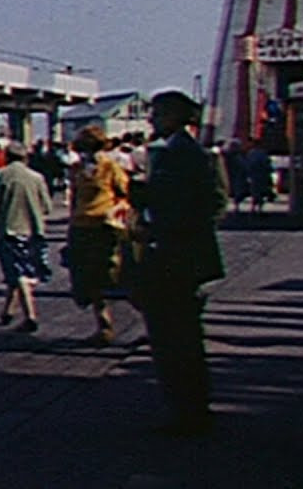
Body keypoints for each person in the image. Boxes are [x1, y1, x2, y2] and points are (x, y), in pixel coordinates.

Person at [136, 89, 225, 436]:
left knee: (175, 340)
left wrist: (154, 218)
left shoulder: (182, 155)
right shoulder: (182, 152)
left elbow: (191, 205)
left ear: (173, 116)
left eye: (157, 114)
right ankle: (189, 409)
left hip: (176, 259)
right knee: (180, 339)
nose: (151, 120)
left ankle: (188, 413)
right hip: (182, 256)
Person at [65, 125, 130, 347]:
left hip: (104, 226)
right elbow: (74, 198)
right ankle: (103, 325)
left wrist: (116, 210)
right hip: (81, 227)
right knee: (87, 277)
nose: (89, 153)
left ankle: (146, 319)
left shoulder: (111, 167)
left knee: (113, 275)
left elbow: (125, 193)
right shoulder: (76, 169)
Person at [0, 142, 53, 334]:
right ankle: (8, 311)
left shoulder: (2, 176)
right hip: (34, 231)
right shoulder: (37, 178)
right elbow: (47, 206)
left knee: (19, 274)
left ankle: (30, 316)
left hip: (10, 230)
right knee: (19, 271)